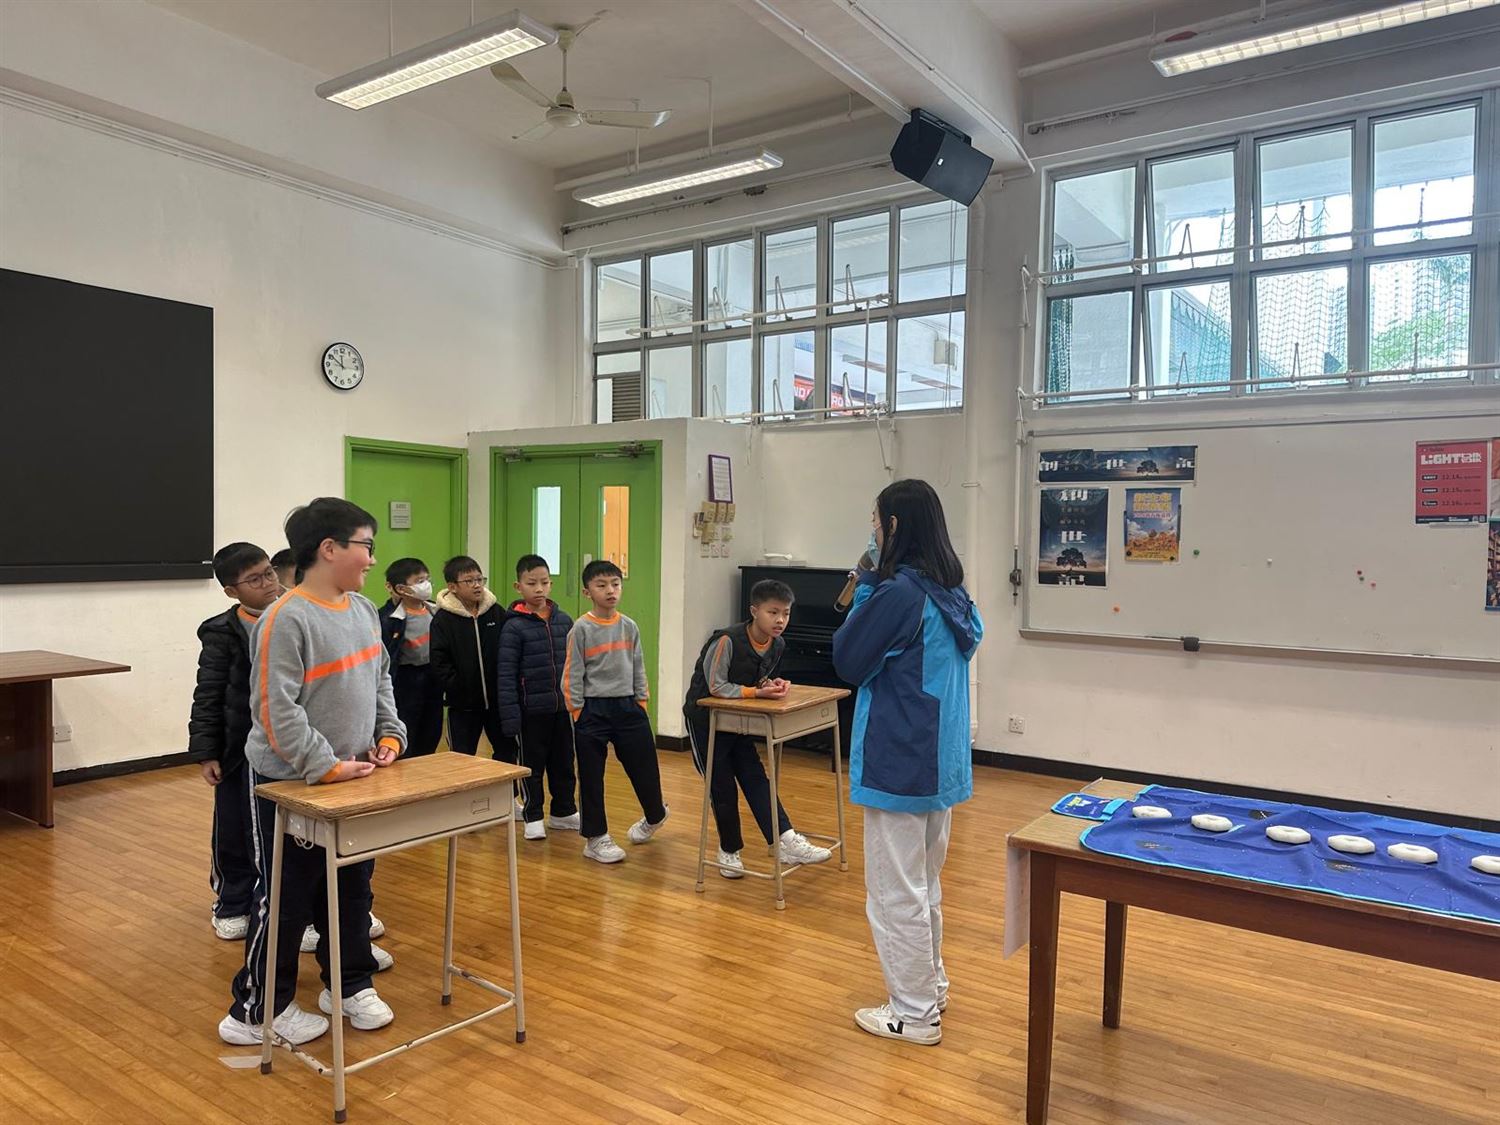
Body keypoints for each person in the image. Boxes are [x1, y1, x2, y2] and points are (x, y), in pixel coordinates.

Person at [219, 498, 407, 1047]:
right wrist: (324, 766)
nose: (372, 558)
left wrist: (390, 735)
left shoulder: (363, 610)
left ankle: (349, 985)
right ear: (329, 548)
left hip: (352, 780)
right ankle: (256, 1011)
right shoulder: (285, 618)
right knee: (285, 899)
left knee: (351, 890)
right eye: (366, 545)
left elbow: (379, 682)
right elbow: (274, 711)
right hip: (289, 785)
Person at [832, 479, 982, 1047]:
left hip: (899, 758)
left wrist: (867, 586)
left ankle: (914, 1014)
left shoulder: (899, 593)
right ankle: (931, 987)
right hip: (938, 760)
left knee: (895, 894)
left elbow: (848, 658)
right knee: (923, 885)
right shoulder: (952, 590)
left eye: (876, 521)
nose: (872, 531)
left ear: (894, 526)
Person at [683, 578, 832, 878]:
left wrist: (772, 684)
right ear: (754, 611)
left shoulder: (778, 644)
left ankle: (785, 839)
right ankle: (728, 851)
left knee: (756, 778)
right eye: (773, 612)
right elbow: (716, 686)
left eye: (786, 613)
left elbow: (757, 677)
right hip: (705, 721)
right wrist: (757, 692)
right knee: (722, 787)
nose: (780, 620)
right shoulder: (726, 640)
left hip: (738, 720)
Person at [189, 542, 282, 942]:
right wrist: (207, 752)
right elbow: (208, 694)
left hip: (285, 747)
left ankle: (283, 903)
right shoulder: (221, 632)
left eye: (269, 573)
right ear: (232, 591)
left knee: (279, 832)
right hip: (236, 749)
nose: (268, 583)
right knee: (233, 828)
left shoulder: (293, 616)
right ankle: (231, 903)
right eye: (254, 579)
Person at [562, 559, 668, 864]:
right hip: (592, 710)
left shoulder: (629, 626)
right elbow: (572, 672)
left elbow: (638, 666)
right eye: (601, 585)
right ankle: (596, 838)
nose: (610, 591)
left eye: (615, 584)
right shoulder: (581, 628)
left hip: (628, 707)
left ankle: (655, 814)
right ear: (587, 592)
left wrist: (641, 701)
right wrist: (577, 710)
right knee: (591, 776)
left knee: (644, 767)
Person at [497, 555, 579, 841]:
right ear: (518, 586)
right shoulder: (513, 627)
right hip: (530, 712)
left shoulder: (564, 621)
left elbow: (575, 666)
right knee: (532, 766)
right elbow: (506, 674)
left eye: (544, 582)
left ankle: (564, 811)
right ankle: (533, 815)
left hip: (561, 709)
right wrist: (510, 716)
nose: (539, 589)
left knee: (564, 762)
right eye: (532, 583)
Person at [430, 556, 514, 761]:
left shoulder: (496, 612)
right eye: (469, 581)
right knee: (462, 759)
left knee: (508, 753)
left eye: (479, 579)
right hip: (463, 706)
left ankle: (507, 786)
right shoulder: (443, 620)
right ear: (452, 587)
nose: (477, 585)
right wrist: (458, 688)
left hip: (498, 703)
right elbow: (439, 662)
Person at [378, 557, 444, 758]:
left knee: (431, 730)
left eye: (427, 579)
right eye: (419, 581)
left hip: (433, 677)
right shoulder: (388, 618)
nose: (426, 585)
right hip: (406, 679)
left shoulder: (436, 610)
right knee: (408, 729)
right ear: (401, 588)